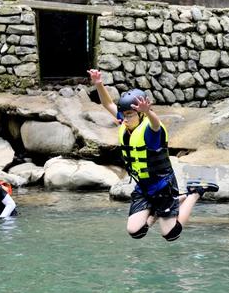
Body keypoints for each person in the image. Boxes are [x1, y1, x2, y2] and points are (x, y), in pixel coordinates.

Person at [88, 69, 218, 241]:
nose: (125, 119)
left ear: (141, 114)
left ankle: (195, 193)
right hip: (143, 186)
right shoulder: (127, 124)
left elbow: (156, 124)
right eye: (124, 114)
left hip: (163, 185)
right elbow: (107, 104)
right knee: (136, 231)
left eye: (129, 115)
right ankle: (173, 202)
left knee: (170, 234)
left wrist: (148, 112)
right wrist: (98, 84)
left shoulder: (150, 130)